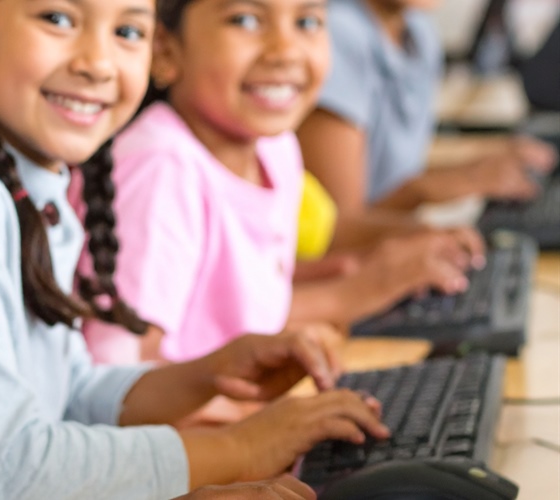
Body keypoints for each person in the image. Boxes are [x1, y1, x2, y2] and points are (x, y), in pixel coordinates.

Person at [0, 0, 389, 498]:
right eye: (58, 18)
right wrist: (240, 448)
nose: (97, 63)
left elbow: (69, 393)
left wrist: (210, 373)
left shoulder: (30, 183)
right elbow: (12, 470)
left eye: (128, 31)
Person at [79, 0, 485, 366]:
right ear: (165, 50)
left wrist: (344, 270)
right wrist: (357, 290)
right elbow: (122, 369)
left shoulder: (275, 149)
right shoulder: (160, 169)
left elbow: (229, 305)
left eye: (307, 21)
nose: (285, 50)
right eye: (245, 19)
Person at [296, 0, 557, 216]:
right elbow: (338, 229)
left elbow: (400, 166)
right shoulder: (336, 34)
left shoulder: (417, 29)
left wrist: (483, 157)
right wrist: (427, 188)